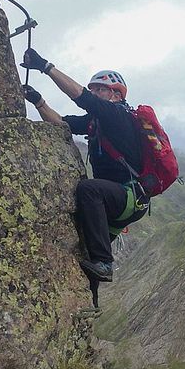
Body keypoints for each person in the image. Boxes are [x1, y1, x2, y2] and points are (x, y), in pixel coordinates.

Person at [20, 48, 149, 283]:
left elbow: (81, 97)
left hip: (128, 196)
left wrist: (45, 66)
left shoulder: (118, 117)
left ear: (116, 95)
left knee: (89, 189)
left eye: (101, 89)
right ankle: (92, 294)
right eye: (94, 89)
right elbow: (61, 123)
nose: (95, 92)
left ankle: (105, 263)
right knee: (85, 250)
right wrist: (39, 101)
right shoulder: (96, 122)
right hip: (119, 200)